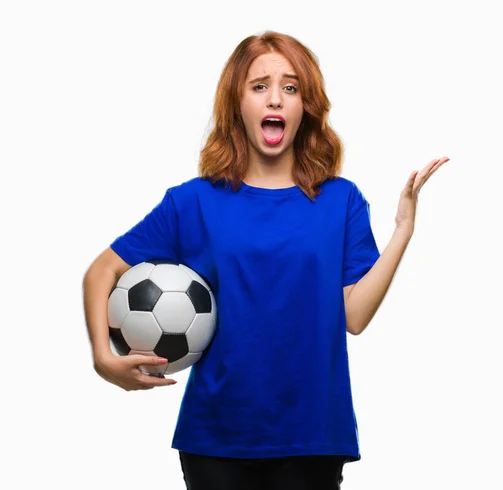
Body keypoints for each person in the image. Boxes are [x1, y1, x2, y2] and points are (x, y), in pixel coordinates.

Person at [82, 30, 449, 490]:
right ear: (238, 103)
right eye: (259, 86)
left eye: (291, 88)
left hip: (313, 436)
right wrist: (102, 356)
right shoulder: (192, 202)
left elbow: (354, 316)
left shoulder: (341, 200)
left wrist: (403, 232)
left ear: (305, 107)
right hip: (215, 437)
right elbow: (103, 271)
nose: (275, 99)